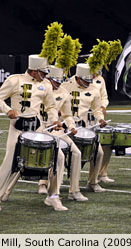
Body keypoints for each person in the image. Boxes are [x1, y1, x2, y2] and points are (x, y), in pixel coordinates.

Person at [0, 55, 66, 212]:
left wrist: (54, 119)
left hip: (37, 128)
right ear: (33, 71)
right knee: (9, 162)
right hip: (18, 129)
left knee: (59, 157)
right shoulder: (14, 80)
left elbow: (51, 106)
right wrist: (8, 110)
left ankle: (53, 196)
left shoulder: (46, 85)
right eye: (43, 72)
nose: (45, 76)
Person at [42, 65, 88, 201]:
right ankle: (53, 192)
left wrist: (72, 126)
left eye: (59, 81)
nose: (58, 84)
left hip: (57, 131)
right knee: (59, 155)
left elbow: (67, 115)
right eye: (55, 81)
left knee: (77, 153)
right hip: (41, 129)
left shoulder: (63, 93)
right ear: (48, 79)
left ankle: (74, 190)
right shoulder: (41, 89)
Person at [61, 63, 107, 192]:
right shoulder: (65, 86)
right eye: (85, 81)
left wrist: (100, 119)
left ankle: (92, 182)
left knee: (99, 153)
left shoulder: (94, 89)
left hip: (83, 128)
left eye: (89, 80)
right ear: (78, 77)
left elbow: (96, 110)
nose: (88, 83)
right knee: (58, 154)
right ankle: (44, 183)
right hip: (65, 127)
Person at [92, 71, 114, 183]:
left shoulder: (100, 79)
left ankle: (102, 173)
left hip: (98, 115)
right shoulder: (75, 79)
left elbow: (104, 96)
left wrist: (103, 106)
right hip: (83, 117)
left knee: (106, 142)